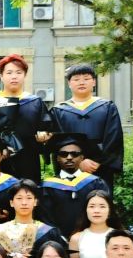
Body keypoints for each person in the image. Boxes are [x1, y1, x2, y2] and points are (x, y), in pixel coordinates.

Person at [0, 54, 52, 184]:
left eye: (19, 72)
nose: (14, 76)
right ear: (1, 76)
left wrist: (44, 138)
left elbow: (46, 130)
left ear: (25, 75)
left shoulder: (35, 103)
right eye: (9, 72)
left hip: (28, 162)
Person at [51, 64, 124, 192]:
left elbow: (114, 138)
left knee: (99, 201)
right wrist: (78, 162)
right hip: (69, 168)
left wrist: (97, 161)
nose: (81, 82)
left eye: (86, 78)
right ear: (69, 83)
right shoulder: (59, 110)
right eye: (76, 79)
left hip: (100, 168)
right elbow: (58, 142)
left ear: (94, 82)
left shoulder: (107, 107)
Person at [0, 180, 65, 258]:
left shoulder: (48, 232)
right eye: (19, 198)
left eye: (29, 198)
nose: (24, 203)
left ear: (35, 202)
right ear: (11, 203)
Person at [41, 134, 111, 240]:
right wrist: (59, 239)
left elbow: (105, 212)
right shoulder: (47, 187)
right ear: (57, 158)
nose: (69, 157)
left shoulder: (96, 183)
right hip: (58, 242)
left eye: (75, 154)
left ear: (82, 157)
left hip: (92, 239)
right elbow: (46, 218)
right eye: (64, 154)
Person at [69, 191, 122, 258]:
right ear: (86, 210)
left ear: (109, 211)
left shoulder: (120, 237)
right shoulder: (76, 239)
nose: (96, 211)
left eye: (102, 206)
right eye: (92, 206)